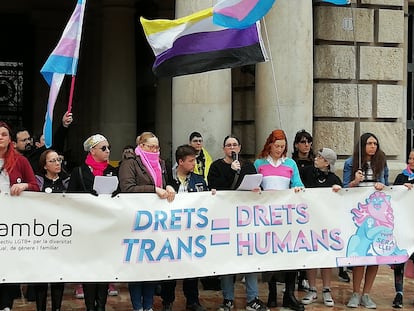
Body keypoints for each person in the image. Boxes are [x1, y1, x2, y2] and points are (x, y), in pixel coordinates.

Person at [208, 135, 268, 311]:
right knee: (227, 259)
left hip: (245, 219)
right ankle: (227, 299)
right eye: (228, 145)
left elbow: (257, 184)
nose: (232, 148)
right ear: (223, 148)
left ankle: (252, 298)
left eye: (235, 145)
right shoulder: (217, 166)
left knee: (249, 258)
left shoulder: (247, 165)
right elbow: (216, 186)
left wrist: (257, 189)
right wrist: (231, 171)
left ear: (240, 148)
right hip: (225, 218)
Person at [119, 132, 176, 311]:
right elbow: (127, 188)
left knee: (152, 264)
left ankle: (148, 305)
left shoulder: (161, 163)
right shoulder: (130, 162)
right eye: (151, 146)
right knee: (137, 265)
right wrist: (153, 189)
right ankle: (138, 306)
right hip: (136, 220)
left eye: (157, 147)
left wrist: (167, 186)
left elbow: (163, 183)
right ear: (141, 146)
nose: (155, 150)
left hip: (155, 221)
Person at [254, 129, 304, 311]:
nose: (279, 149)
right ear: (269, 145)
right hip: (266, 217)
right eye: (277, 146)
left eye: (283, 146)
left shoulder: (290, 163)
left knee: (290, 254)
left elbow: (298, 183)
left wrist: (297, 188)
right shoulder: (259, 163)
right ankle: (272, 292)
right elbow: (254, 184)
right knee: (270, 255)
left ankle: (289, 294)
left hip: (287, 217)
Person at [67, 134, 118, 311]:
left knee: (104, 267)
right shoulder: (79, 171)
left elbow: (121, 197)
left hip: (106, 227)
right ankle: (90, 305)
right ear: (93, 150)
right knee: (89, 268)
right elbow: (70, 197)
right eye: (103, 148)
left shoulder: (112, 171)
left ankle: (101, 305)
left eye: (108, 147)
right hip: (86, 227)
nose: (108, 151)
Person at [343, 132, 389, 309]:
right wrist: (355, 181)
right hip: (359, 215)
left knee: (374, 256)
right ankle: (355, 293)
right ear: (362, 146)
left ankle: (367, 294)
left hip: (377, 215)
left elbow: (386, 185)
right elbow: (345, 187)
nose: (373, 146)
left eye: (375, 144)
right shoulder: (350, 162)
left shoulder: (381, 162)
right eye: (369, 143)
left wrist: (381, 186)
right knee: (360, 255)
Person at [160, 145, 208, 311]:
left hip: (192, 230)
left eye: (194, 160)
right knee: (169, 266)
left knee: (191, 265)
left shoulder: (199, 180)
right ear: (180, 162)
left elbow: (206, 201)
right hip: (170, 229)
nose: (194, 163)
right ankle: (167, 300)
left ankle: (193, 300)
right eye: (190, 160)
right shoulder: (166, 180)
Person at [0, 121, 40, 311]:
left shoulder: (20, 161)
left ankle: (6, 305)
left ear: (10, 140)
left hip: (12, 222)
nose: (0, 137)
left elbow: (35, 185)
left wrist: (23, 186)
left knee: (7, 261)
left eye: (4, 134)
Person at [299, 148, 342, 307]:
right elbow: (297, 184)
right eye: (317, 156)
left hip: (327, 224)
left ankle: (326, 289)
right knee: (311, 256)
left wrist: (338, 191)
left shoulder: (334, 178)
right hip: (309, 222)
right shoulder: (306, 172)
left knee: (326, 257)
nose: (316, 158)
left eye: (320, 157)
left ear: (327, 162)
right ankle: (312, 289)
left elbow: (341, 200)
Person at [33, 149, 70, 311]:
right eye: (53, 161)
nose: (57, 163)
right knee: (41, 276)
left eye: (59, 160)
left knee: (58, 275)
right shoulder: (37, 182)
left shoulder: (67, 182)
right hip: (41, 236)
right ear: (45, 165)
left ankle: (57, 308)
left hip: (61, 236)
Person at [390, 149, 414, 308]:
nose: (411, 161)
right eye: (410, 158)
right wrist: (402, 189)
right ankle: (399, 293)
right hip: (403, 225)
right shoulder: (401, 177)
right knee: (399, 260)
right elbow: (394, 198)